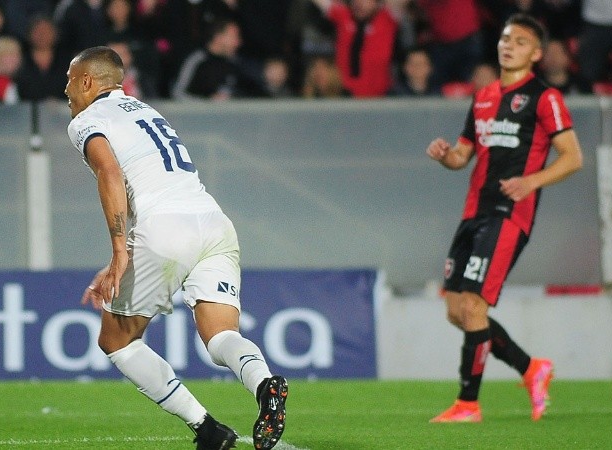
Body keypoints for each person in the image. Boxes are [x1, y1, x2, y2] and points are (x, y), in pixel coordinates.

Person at [64, 46, 288, 450]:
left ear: (87, 81)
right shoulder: (145, 110)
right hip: (213, 223)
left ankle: (207, 429)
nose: (66, 90)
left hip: (165, 230)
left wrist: (120, 251)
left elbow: (109, 173)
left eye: (69, 80)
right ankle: (265, 384)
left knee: (117, 341)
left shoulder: (87, 120)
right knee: (221, 336)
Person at [425, 14, 583, 423]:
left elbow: (572, 158)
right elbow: (463, 155)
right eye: (505, 38)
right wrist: (446, 156)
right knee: (457, 311)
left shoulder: (545, 98)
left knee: (474, 305)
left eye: (520, 41)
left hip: (509, 214)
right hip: (473, 212)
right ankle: (532, 369)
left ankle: (468, 404)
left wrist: (531, 182)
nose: (509, 46)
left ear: (537, 53)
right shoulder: (482, 97)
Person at [309, 0, 399, 98]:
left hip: (380, 95)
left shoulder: (387, 17)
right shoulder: (344, 15)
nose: (359, 3)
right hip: (345, 95)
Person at [172, 17, 263, 100]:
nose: (238, 42)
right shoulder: (197, 60)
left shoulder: (237, 62)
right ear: (218, 37)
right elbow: (177, 93)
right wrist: (208, 103)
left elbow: (257, 90)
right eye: (234, 36)